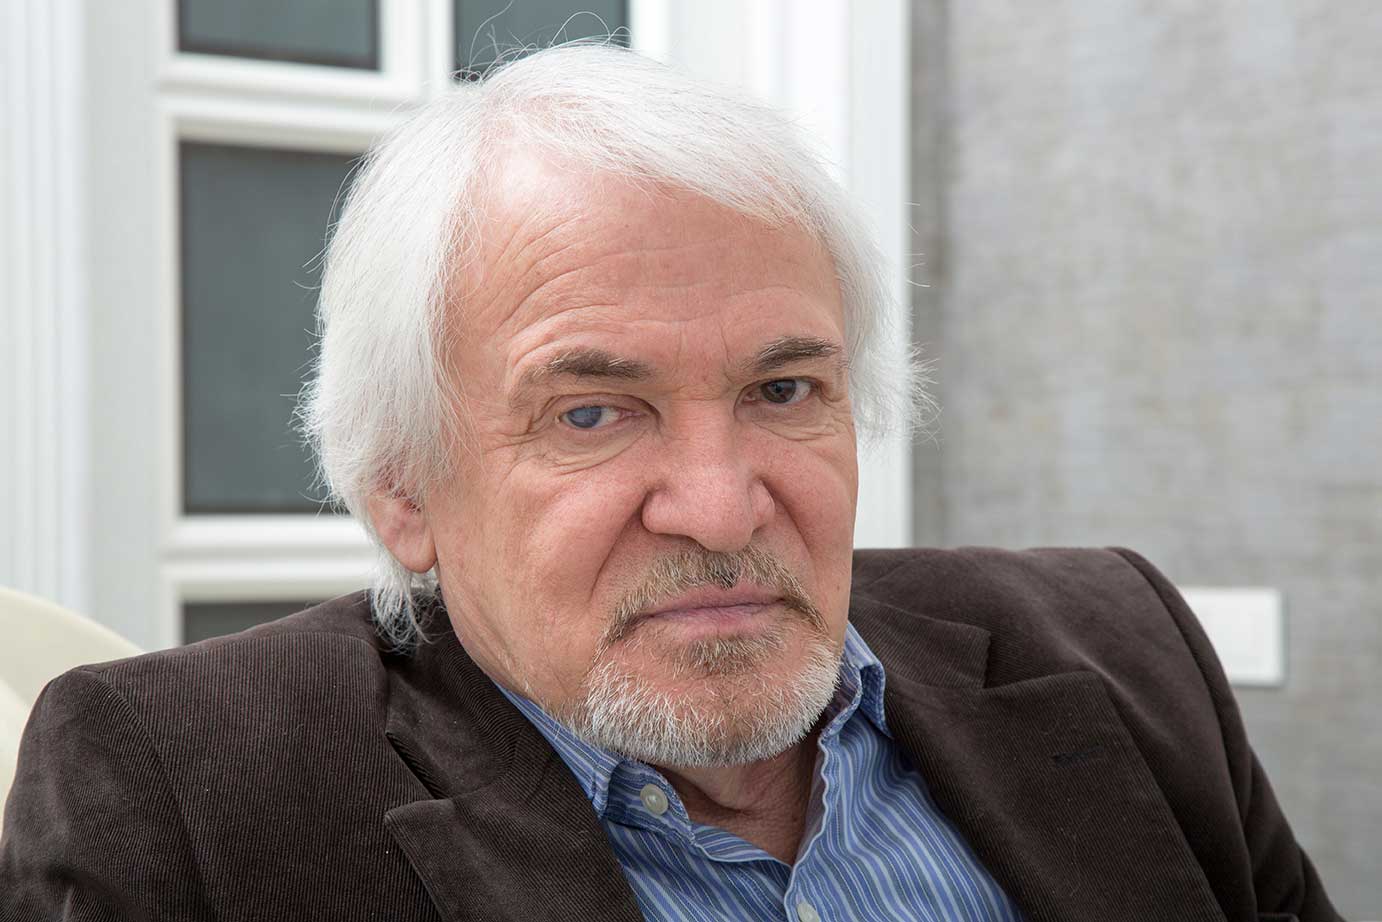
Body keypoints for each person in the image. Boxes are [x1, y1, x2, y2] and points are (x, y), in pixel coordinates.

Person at [0, 44, 1339, 921]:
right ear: (402, 487)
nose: (719, 503)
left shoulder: (1115, 644)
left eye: (781, 390)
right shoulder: (185, 796)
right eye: (592, 411)